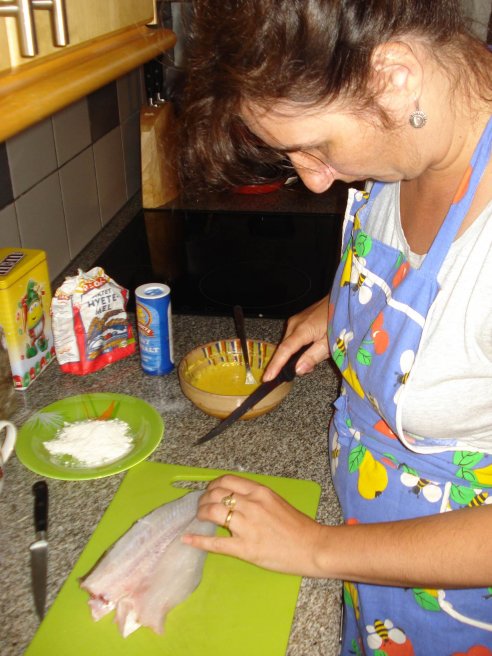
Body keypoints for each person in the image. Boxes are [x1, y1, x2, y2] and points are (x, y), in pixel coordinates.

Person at [177, 1, 492, 653]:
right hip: (368, 558)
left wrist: (315, 548)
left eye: (316, 146)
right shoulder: (416, 134)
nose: (316, 181)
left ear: (395, 77)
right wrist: (346, 307)